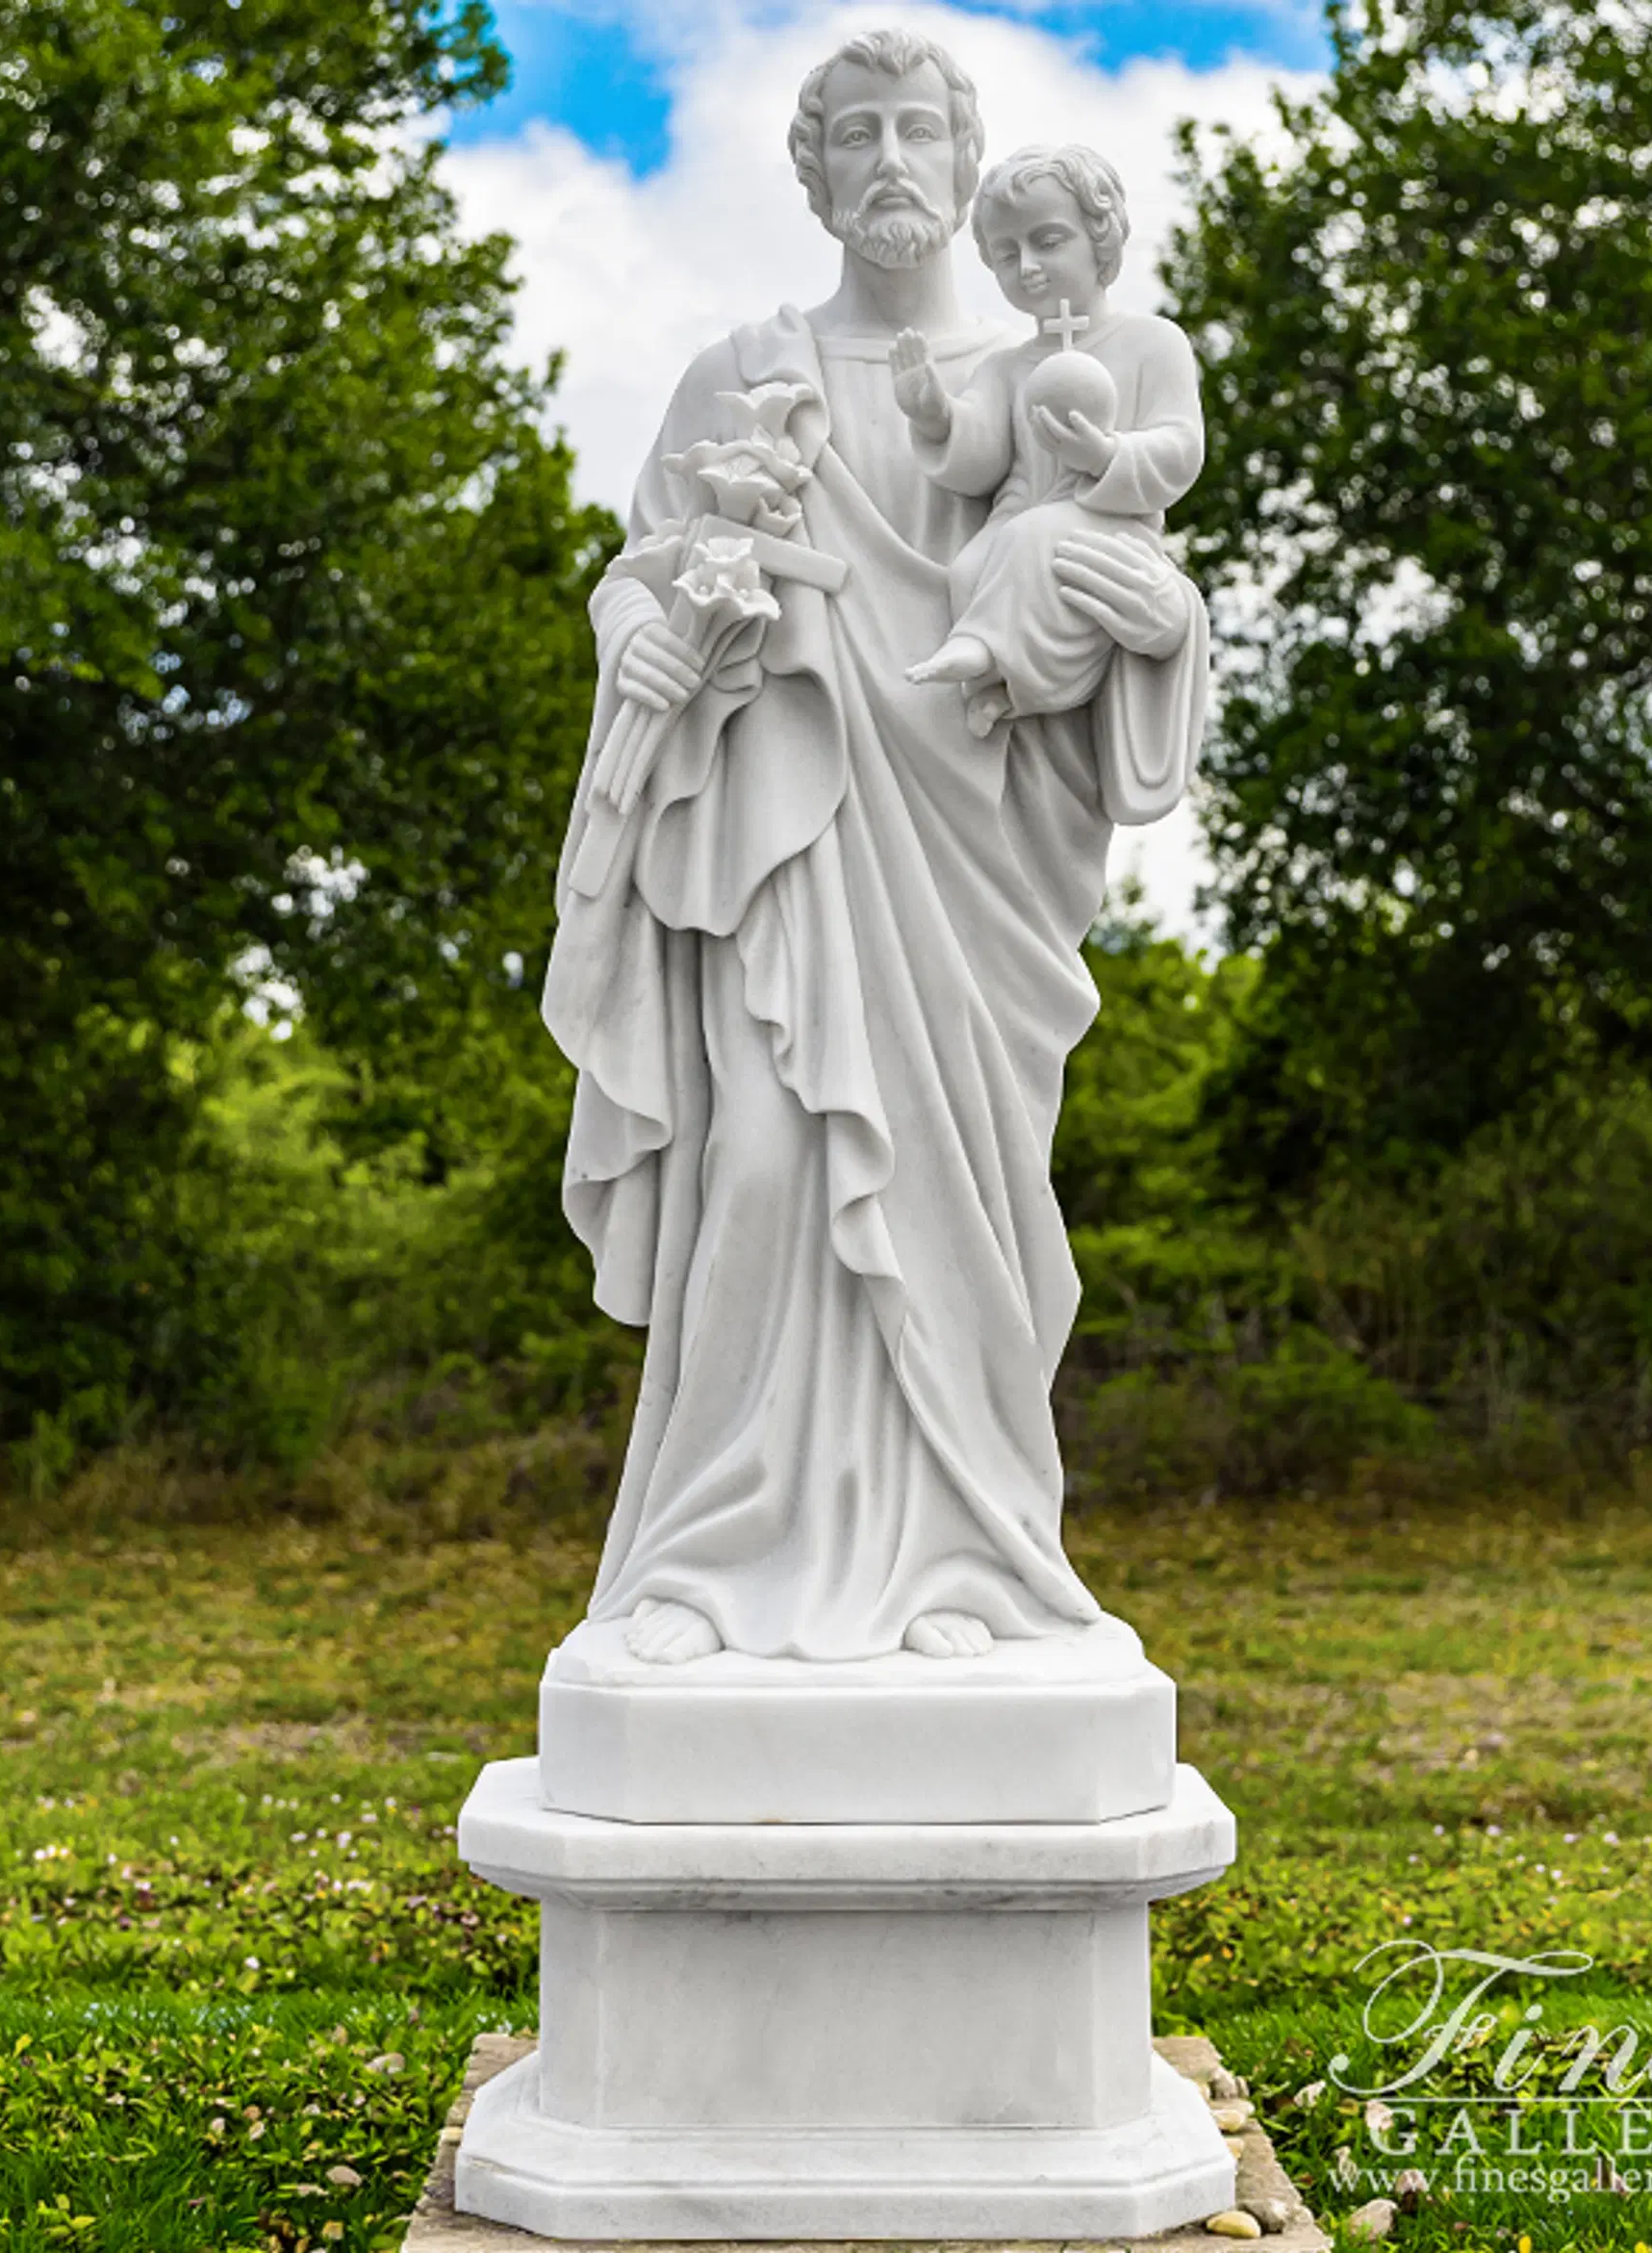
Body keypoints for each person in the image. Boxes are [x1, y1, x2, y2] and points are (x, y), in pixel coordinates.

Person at [542, 30, 1209, 1665]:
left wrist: (1162, 622)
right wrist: (640, 631)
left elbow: (1122, 565)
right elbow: (643, 563)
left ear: (968, 166)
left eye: (921, 127)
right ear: (813, 170)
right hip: (787, 828)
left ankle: (963, 1566)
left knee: (953, 1196)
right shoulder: (739, 368)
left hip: (973, 858)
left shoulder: (1050, 376)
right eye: (859, 133)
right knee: (763, 1170)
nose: (892, 157)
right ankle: (707, 1564)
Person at [893, 145, 1207, 739]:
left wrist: (1108, 456)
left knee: (1034, 538)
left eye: (1049, 240)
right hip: (1020, 517)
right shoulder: (1006, 367)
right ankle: (1004, 688)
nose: (1028, 265)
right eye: (1007, 254)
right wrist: (935, 415)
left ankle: (983, 653)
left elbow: (1180, 447)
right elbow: (981, 456)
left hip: (1105, 523)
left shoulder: (1152, 343)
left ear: (1102, 239)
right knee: (970, 568)